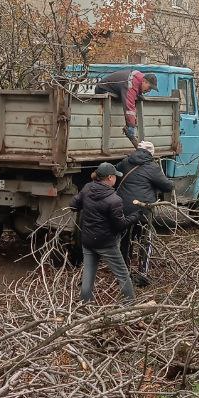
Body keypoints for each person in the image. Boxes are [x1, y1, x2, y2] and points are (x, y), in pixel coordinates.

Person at [69, 162, 138, 304]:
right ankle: (130, 305)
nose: (116, 179)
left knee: (88, 274)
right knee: (123, 275)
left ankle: (84, 304)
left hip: (88, 240)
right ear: (109, 178)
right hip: (106, 243)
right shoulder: (114, 200)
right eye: (115, 177)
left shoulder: (87, 188)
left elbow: (73, 205)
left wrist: (85, 205)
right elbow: (120, 225)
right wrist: (135, 216)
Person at [115, 140, 175, 285]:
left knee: (125, 241)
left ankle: (124, 274)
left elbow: (115, 176)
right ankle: (142, 274)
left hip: (123, 208)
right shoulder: (152, 167)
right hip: (143, 210)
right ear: (151, 153)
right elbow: (168, 186)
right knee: (145, 241)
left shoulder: (124, 162)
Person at [94, 69, 159, 146]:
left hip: (112, 89)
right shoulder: (131, 84)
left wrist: (138, 94)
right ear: (144, 81)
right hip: (102, 89)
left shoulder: (138, 79)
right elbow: (129, 107)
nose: (149, 90)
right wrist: (131, 126)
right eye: (149, 87)